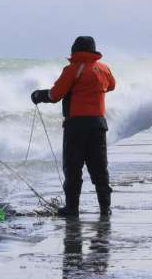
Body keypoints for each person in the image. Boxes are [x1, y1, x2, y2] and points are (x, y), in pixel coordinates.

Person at [31, 36, 116, 217]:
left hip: (76, 126)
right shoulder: (104, 69)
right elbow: (111, 86)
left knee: (73, 168)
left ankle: (72, 209)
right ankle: (105, 208)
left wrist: (38, 95)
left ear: (74, 51)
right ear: (93, 51)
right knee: (99, 167)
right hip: (98, 125)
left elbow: (55, 95)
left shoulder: (72, 70)